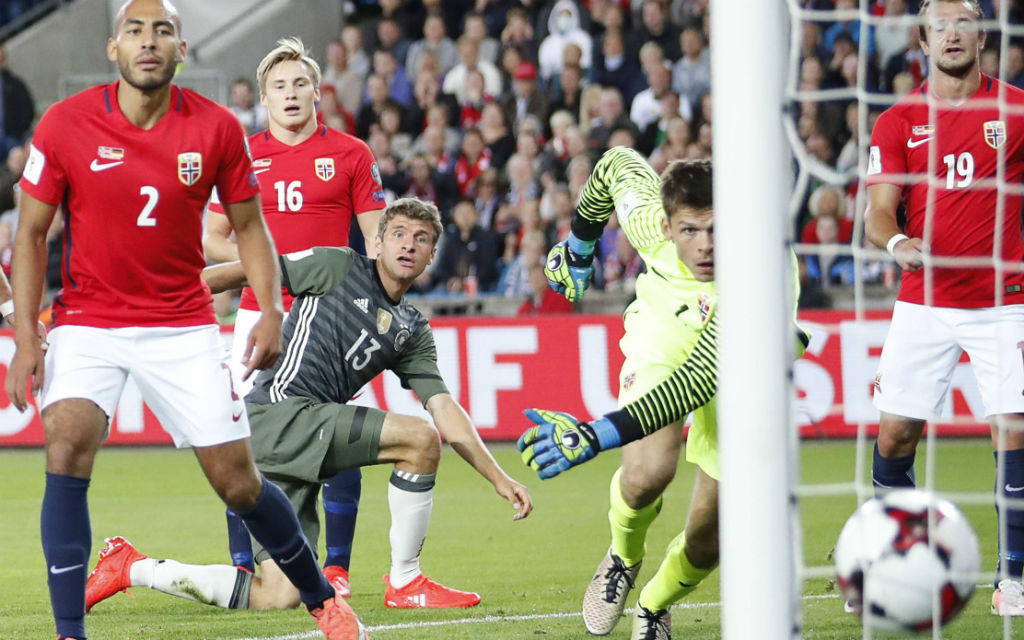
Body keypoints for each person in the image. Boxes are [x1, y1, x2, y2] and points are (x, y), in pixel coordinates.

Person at [6, 2, 363, 640]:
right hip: (89, 320)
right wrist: (27, 337)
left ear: (182, 49)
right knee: (65, 442)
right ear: (113, 47)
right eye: (135, 31)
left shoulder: (218, 129)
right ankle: (68, 633)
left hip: (182, 324)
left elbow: (250, 228)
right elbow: (31, 235)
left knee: (238, 482)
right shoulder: (65, 124)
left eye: (162, 31)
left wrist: (272, 308)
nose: (149, 42)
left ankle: (322, 600)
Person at [85, 198, 533, 613]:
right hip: (278, 414)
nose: (408, 245)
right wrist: (166, 300)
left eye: (421, 239)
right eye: (398, 233)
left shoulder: (411, 329)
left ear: (433, 255)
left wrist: (498, 477)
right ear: (377, 241)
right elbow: (250, 270)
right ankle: (406, 581)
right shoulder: (338, 264)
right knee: (418, 440)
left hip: (296, 440)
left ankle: (131, 567)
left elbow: (444, 408)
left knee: (279, 594)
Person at [517, 147, 805, 640]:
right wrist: (581, 244)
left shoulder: (762, 278)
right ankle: (623, 558)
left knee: (713, 533)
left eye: (719, 229)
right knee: (648, 472)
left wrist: (595, 435)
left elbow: (692, 384)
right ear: (668, 228)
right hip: (660, 345)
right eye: (691, 230)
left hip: (738, 377)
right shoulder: (651, 222)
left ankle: (653, 604)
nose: (706, 246)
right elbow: (613, 165)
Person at [204, 38, 385, 600]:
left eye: (299, 83)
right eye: (278, 86)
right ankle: (242, 563)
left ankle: (337, 567)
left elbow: (376, 235)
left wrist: (370, 292)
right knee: (235, 435)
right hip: (259, 311)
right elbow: (211, 237)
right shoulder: (242, 156)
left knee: (340, 432)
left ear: (316, 92)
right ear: (262, 98)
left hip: (329, 316)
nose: (289, 93)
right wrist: (262, 270)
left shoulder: (353, 153)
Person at [863, 0, 1024, 617]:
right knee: (896, 434)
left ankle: (1013, 577)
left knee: (1013, 425)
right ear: (922, 41)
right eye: (939, 25)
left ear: (981, 34)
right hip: (925, 300)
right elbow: (880, 211)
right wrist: (899, 241)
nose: (951, 33)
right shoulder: (899, 120)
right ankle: (887, 562)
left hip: (1004, 300)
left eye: (963, 22)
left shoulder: (1014, 108)